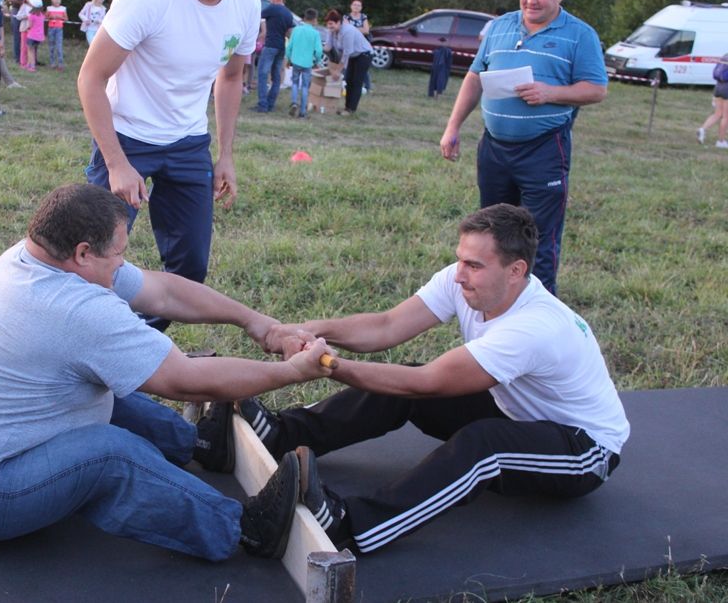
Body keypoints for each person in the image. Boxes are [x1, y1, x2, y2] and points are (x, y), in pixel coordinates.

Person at [0, 183, 335, 561]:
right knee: (107, 453)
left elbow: (162, 292)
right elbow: (181, 379)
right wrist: (293, 372)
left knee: (99, 386)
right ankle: (242, 529)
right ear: (83, 252)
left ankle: (200, 443)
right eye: (119, 252)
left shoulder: (36, 260)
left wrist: (258, 323)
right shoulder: (71, 310)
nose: (123, 261)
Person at [241, 203, 630, 555]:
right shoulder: (463, 281)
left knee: (483, 444)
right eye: (460, 259)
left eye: (474, 265)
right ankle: (282, 434)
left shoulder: (534, 327)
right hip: (517, 412)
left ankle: (353, 526)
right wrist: (304, 330)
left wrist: (330, 364)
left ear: (516, 271)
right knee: (403, 380)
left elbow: (428, 382)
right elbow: (386, 326)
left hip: (582, 451)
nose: (460, 274)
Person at [76, 0, 266, 330]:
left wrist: (226, 155)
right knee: (91, 256)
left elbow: (231, 78)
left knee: (191, 268)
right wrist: (116, 163)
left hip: (188, 144)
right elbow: (91, 78)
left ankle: (135, 342)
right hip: (128, 137)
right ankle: (77, 340)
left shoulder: (247, 4)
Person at [439, 0, 607, 296]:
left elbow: (596, 89)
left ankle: (539, 318)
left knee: (537, 237)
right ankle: (493, 303)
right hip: (495, 149)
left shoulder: (580, 35)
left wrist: (551, 93)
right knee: (491, 234)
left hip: (544, 148)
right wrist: (453, 126)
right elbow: (474, 78)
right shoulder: (500, 27)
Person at [251, 0, 293, 113]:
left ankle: (262, 104)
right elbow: (289, 32)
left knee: (263, 74)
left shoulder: (272, 9)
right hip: (281, 46)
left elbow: (257, 16)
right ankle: (270, 103)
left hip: (270, 45)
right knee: (276, 77)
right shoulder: (288, 13)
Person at [324, 9, 373, 117]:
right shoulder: (331, 31)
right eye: (327, 24)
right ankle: (347, 107)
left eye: (331, 24)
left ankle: (351, 110)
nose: (329, 26)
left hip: (363, 55)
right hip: (352, 55)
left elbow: (346, 54)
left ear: (338, 22)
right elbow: (328, 47)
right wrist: (315, 51)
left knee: (356, 82)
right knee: (348, 81)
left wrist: (338, 71)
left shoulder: (348, 31)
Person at [285, 8, 322, 119]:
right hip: (307, 63)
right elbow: (319, 50)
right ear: (314, 20)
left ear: (304, 18)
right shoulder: (315, 33)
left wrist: (288, 58)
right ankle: (302, 112)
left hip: (295, 61)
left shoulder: (296, 30)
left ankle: (294, 102)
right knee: (305, 86)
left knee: (295, 83)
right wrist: (317, 60)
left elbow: (289, 46)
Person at [696, 52, 728, 149]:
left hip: (718, 87)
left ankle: (702, 129)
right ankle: (721, 141)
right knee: (725, 117)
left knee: (717, 114)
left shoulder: (724, 56)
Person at [343, 0, 371, 93]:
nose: (356, 7)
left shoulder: (364, 17)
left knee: (362, 66)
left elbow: (366, 30)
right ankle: (345, 84)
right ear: (351, 6)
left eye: (358, 5)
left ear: (361, 7)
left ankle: (367, 86)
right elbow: (345, 29)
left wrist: (352, 29)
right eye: (354, 5)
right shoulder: (346, 17)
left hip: (361, 46)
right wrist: (359, 29)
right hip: (349, 44)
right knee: (347, 64)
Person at [46, 0, 67, 70]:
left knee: (59, 46)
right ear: (52, 0)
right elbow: (46, 17)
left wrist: (60, 17)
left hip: (59, 29)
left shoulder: (63, 8)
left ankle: (60, 64)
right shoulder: (49, 8)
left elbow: (66, 18)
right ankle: (52, 63)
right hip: (51, 28)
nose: (57, 1)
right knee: (51, 46)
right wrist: (51, 16)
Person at [24, 0, 46, 71]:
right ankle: (29, 64)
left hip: (32, 36)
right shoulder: (42, 15)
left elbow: (30, 25)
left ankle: (32, 66)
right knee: (33, 50)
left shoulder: (31, 16)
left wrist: (26, 28)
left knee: (30, 51)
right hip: (39, 37)